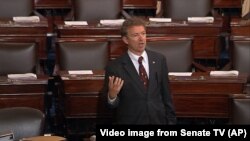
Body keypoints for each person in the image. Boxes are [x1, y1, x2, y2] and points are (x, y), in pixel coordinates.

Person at [103, 17, 176, 125]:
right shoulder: (115, 67)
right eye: (135, 35)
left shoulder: (159, 60)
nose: (141, 38)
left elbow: (166, 96)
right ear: (125, 40)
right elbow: (110, 107)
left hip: (158, 120)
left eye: (143, 33)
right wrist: (112, 96)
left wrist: (171, 122)